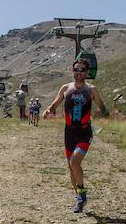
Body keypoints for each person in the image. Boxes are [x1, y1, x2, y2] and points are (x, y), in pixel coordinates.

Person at [43, 60, 109, 213]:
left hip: (84, 131)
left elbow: (102, 106)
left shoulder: (92, 90)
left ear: (87, 73)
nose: (79, 72)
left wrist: (103, 112)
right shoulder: (66, 88)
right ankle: (79, 198)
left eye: (82, 70)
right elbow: (55, 103)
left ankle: (82, 196)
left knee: (75, 161)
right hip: (69, 132)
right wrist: (48, 110)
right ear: (73, 71)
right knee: (71, 168)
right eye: (76, 69)